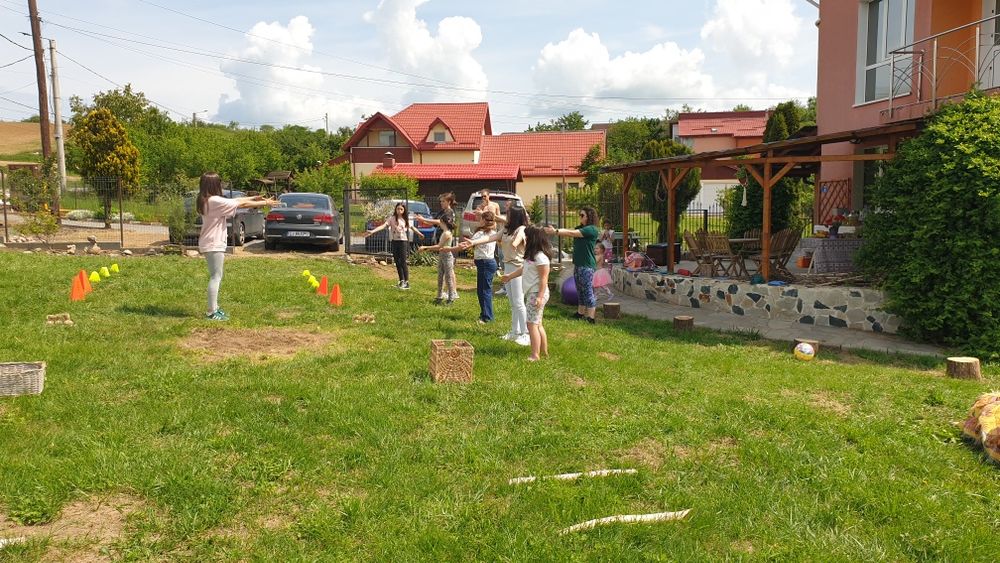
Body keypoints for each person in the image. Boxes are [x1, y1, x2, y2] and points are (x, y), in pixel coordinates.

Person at [196, 172, 276, 320]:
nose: (221, 185)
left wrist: (253, 198)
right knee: (216, 276)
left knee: (216, 275)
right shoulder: (214, 201)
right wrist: (265, 203)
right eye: (219, 182)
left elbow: (236, 200)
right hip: (213, 243)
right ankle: (211, 312)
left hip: (210, 242)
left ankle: (214, 308)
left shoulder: (205, 200)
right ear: (214, 185)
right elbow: (241, 204)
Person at [462, 204, 529, 345]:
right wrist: (472, 242)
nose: (506, 216)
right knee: (512, 302)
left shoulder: (522, 229)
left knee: (518, 302)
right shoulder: (506, 230)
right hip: (508, 267)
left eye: (508, 214)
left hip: (518, 268)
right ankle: (515, 332)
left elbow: (519, 238)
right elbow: (490, 238)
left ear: (515, 216)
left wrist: (515, 243)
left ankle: (526, 334)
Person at [501, 226, 552, 361]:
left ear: (533, 239)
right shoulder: (532, 256)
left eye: (527, 237)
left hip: (537, 294)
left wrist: (539, 297)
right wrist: (510, 276)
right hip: (533, 293)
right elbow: (524, 269)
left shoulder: (541, 258)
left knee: (531, 325)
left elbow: (544, 279)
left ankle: (535, 355)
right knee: (537, 323)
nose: (525, 239)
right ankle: (544, 352)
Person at [545, 206, 600, 323]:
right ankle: (580, 313)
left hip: (586, 266)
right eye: (580, 215)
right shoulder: (581, 228)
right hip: (579, 264)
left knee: (587, 291)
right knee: (580, 290)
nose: (580, 217)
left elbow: (571, 233)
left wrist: (555, 231)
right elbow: (572, 231)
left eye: (582, 215)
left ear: (589, 217)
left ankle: (591, 317)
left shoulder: (592, 229)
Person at [364, 202, 424, 289]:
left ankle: (407, 282)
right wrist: (372, 231)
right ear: (395, 209)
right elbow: (383, 226)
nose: (399, 211)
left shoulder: (405, 219)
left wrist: (419, 233)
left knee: (403, 262)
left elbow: (412, 228)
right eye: (398, 209)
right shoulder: (391, 219)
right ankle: (401, 281)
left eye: (401, 209)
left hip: (403, 242)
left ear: (404, 210)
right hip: (395, 242)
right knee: (397, 262)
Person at [416, 192, 459, 300]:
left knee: (450, 271)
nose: (441, 203)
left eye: (443, 201)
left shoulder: (449, 212)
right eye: (440, 201)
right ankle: (445, 292)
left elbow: (438, 221)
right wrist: (422, 220)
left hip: (446, 245)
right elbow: (434, 223)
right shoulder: (442, 211)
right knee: (443, 271)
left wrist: (424, 219)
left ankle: (453, 292)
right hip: (441, 243)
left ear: (449, 202)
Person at [416, 214, 464, 304]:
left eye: (440, 222)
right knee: (440, 276)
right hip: (442, 256)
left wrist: (425, 247)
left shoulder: (447, 233)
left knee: (448, 278)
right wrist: (423, 220)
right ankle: (439, 296)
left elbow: (439, 246)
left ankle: (451, 297)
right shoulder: (445, 231)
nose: (439, 224)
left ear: (443, 222)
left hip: (447, 257)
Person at [468, 211, 499, 324]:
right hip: (488, 263)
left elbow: (471, 244)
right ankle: (484, 314)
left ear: (484, 220)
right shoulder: (494, 233)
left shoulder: (479, 234)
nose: (479, 220)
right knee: (482, 290)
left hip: (485, 263)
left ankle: (487, 317)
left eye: (481, 218)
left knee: (484, 291)